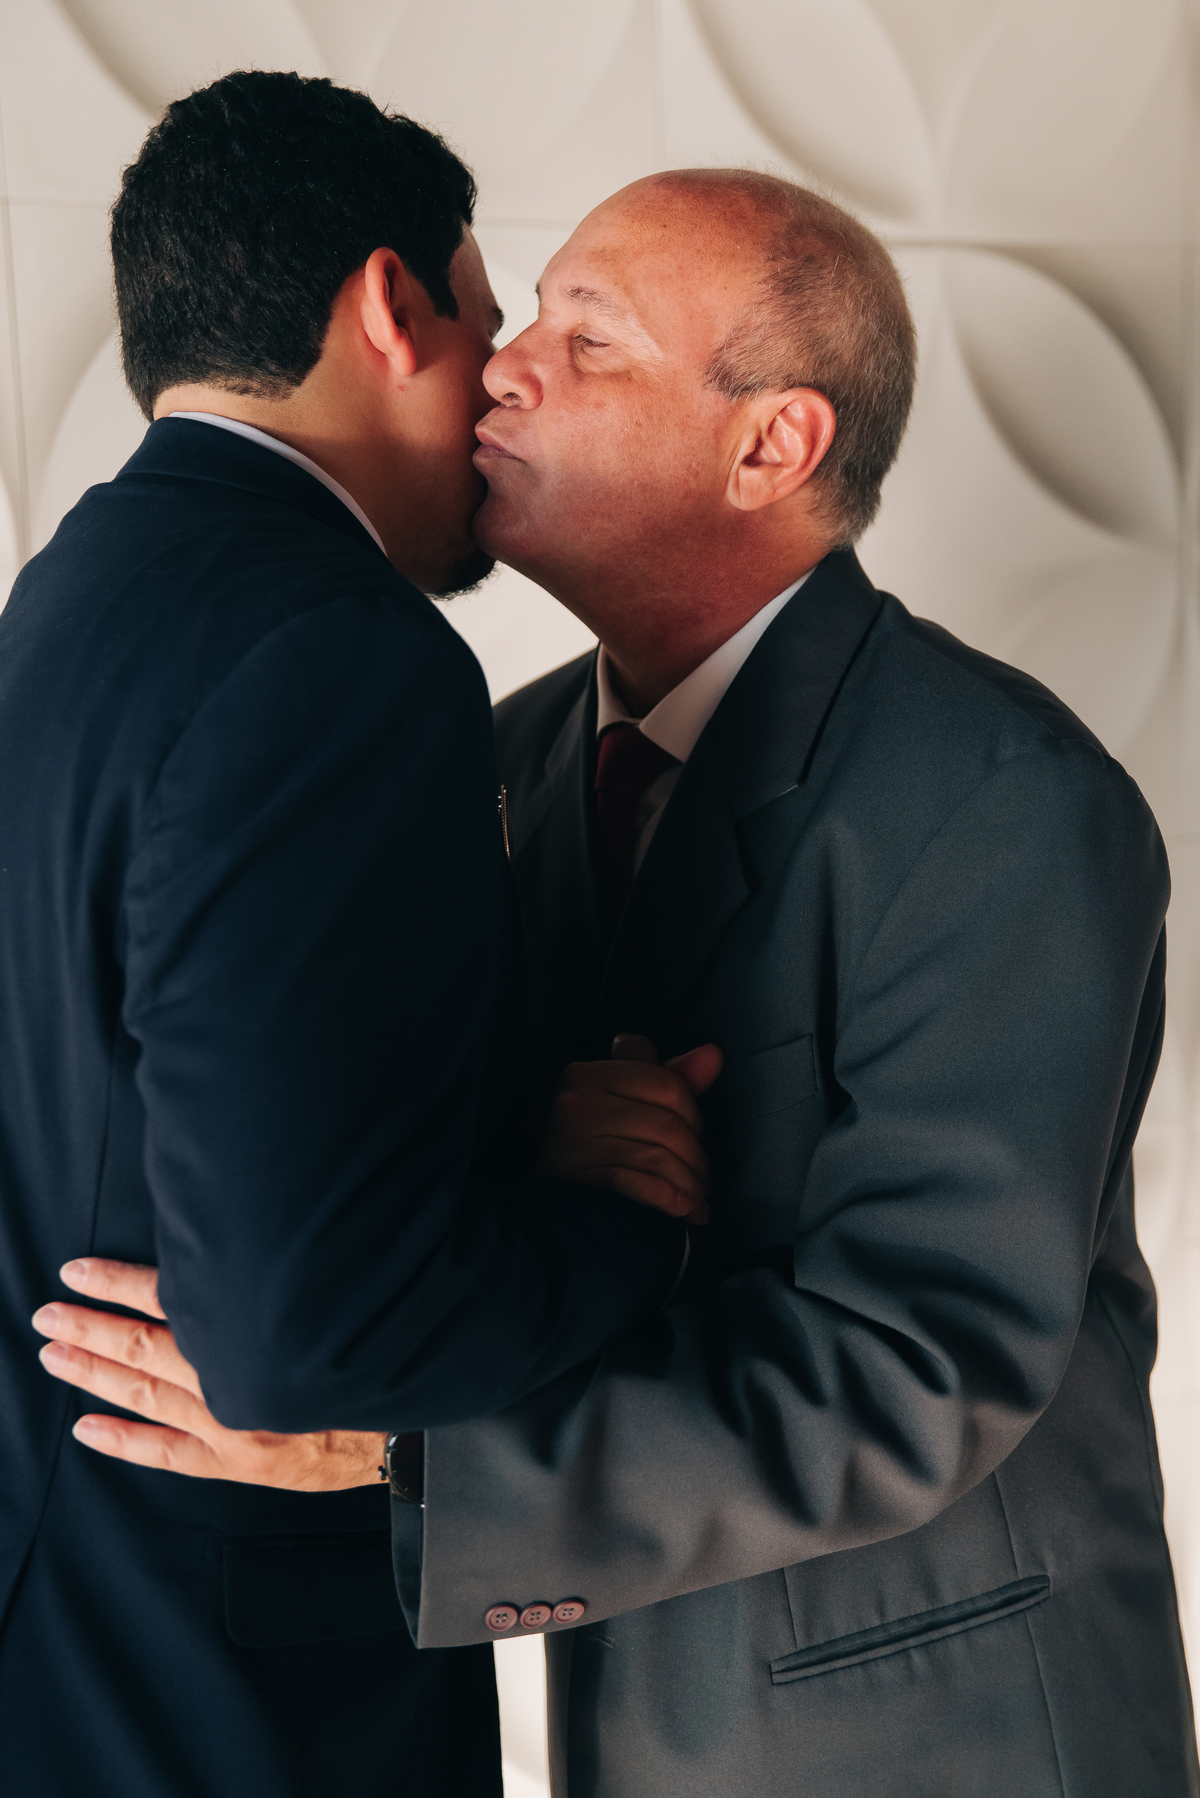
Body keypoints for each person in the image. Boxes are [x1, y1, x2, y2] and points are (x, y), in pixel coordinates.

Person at [39, 170, 1199, 1797]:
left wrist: (405, 1449)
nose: (501, 364)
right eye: (527, 317)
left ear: (771, 445)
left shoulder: (1005, 794)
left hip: (949, 1746)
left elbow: (921, 1359)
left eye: (588, 340)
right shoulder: (497, 759)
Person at [0, 75, 720, 1798]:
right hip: (237, 1713)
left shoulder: (69, 599)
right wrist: (610, 1218)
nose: (509, 381)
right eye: (491, 315)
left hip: (69, 1639)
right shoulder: (341, 655)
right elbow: (310, 1338)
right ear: (395, 307)